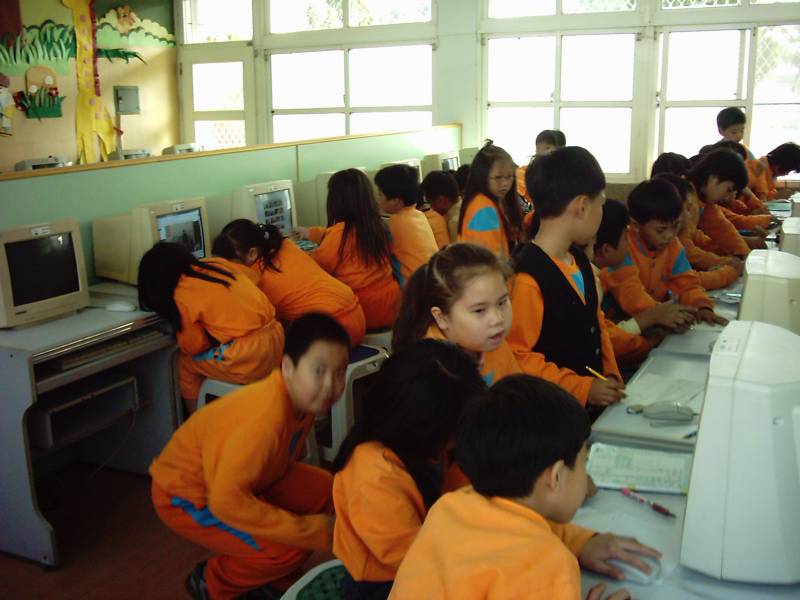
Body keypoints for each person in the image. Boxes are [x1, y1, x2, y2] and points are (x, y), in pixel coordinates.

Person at [389, 374, 661, 600]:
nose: (585, 475)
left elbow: (516, 527)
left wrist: (581, 542)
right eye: (583, 463)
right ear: (555, 476)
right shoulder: (547, 566)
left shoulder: (452, 506)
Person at [150, 314, 350, 600]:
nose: (330, 385)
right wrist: (309, 530)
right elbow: (226, 501)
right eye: (318, 371)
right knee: (290, 548)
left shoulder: (302, 401)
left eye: (339, 372)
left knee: (328, 490)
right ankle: (212, 582)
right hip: (187, 495)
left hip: (247, 481)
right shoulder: (265, 420)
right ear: (288, 367)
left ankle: (272, 578)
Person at [331, 340, 486, 600]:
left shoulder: (425, 444)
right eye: (456, 428)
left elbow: (469, 489)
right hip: (388, 579)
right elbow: (414, 563)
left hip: (434, 549)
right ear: (423, 427)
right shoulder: (374, 477)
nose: (460, 436)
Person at [508, 146, 624, 408]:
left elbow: (596, 324)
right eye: (601, 204)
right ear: (582, 206)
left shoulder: (580, 261)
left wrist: (610, 374)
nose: (602, 212)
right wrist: (582, 388)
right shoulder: (527, 278)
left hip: (590, 406)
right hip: (552, 412)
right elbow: (518, 355)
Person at [138, 241, 284, 414]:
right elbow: (253, 277)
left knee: (184, 363)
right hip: (276, 339)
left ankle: (197, 420)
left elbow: (195, 346)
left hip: (249, 357)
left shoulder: (181, 295)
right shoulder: (216, 264)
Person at [213, 219, 366, 347]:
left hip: (333, 331)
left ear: (252, 253)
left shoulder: (255, 277)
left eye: (230, 263)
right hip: (356, 315)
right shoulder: (285, 245)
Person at [392, 242, 519, 387]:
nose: (497, 319)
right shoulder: (427, 373)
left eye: (502, 302)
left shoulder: (493, 340)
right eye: (479, 310)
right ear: (442, 317)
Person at [603, 178, 726, 327]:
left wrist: (702, 306)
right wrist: (664, 315)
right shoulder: (621, 249)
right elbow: (632, 296)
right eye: (660, 230)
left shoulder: (673, 246)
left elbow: (687, 283)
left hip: (655, 318)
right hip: (621, 323)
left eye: (675, 226)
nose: (669, 235)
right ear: (635, 225)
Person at [297, 169, 401, 330]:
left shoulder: (339, 234)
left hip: (364, 311)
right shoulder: (379, 225)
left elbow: (318, 270)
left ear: (335, 201)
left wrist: (295, 254)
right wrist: (312, 233)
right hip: (393, 305)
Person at [657, 172, 743, 291]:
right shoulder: (666, 240)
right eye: (687, 209)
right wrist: (729, 270)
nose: (689, 215)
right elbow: (688, 281)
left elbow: (700, 236)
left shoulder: (673, 242)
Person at [686, 148, 759, 257]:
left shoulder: (704, 200)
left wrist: (744, 254)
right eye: (728, 190)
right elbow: (685, 250)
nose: (727, 197)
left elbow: (723, 229)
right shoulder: (686, 200)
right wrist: (725, 262)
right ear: (713, 178)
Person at [374, 164, 438, 286]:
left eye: (380, 194)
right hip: (431, 279)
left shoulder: (395, 223)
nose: (378, 199)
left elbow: (378, 253)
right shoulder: (419, 215)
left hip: (413, 286)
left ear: (395, 201)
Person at [458, 142, 524, 258]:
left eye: (509, 177)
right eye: (498, 177)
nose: (505, 183)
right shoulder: (483, 208)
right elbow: (490, 258)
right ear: (481, 176)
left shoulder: (494, 201)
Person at [518, 130, 568, 202]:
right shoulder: (528, 171)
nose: (541, 151)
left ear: (558, 150)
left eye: (547, 148)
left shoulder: (564, 171)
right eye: (538, 148)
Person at [419, 170, 459, 247]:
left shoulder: (455, 223)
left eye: (430, 203)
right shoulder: (466, 206)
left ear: (441, 200)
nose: (431, 208)